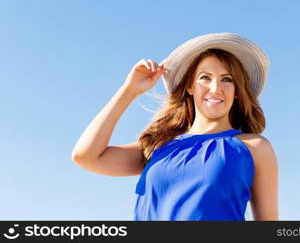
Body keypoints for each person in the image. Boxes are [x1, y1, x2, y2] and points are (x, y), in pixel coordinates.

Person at [71, 32, 279, 221]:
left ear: (236, 91)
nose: (215, 88)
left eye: (227, 79)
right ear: (189, 86)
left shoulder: (255, 148)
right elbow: (86, 156)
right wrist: (129, 91)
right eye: (205, 78)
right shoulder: (159, 147)